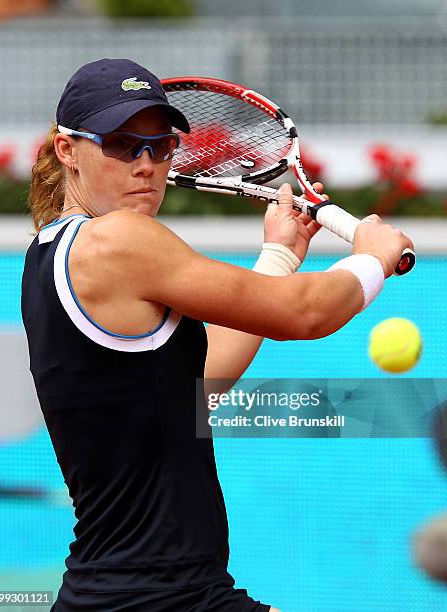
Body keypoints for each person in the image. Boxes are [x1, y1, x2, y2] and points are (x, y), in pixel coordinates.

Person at [21, 58, 413, 612]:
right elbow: (305, 315)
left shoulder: (48, 255)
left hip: (118, 594)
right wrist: (371, 259)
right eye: (122, 144)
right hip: (162, 596)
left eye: (160, 147)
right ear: (67, 150)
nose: (146, 165)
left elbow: (200, 382)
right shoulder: (119, 241)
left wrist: (277, 255)